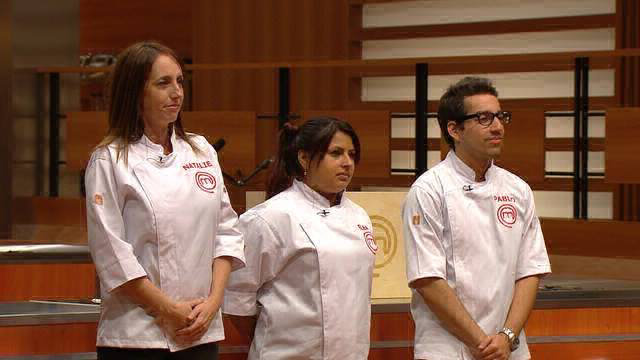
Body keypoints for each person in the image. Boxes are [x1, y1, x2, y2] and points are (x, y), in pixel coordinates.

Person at [85, 41, 245, 359]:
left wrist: (213, 302)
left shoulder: (201, 150)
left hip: (199, 329)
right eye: (163, 83)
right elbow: (111, 253)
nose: (177, 93)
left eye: (180, 82)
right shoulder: (109, 160)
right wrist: (167, 309)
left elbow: (227, 231)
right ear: (135, 93)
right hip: (135, 336)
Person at [402, 77, 551, 360]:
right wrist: (482, 342)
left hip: (509, 347)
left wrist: (506, 337)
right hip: (448, 347)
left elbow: (530, 271)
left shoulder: (517, 189)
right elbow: (427, 279)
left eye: (500, 116)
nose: (497, 126)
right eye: (484, 118)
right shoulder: (429, 189)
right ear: (454, 129)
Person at [223, 117, 376, 359]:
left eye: (351, 154)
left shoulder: (359, 216)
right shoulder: (269, 218)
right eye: (335, 153)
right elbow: (238, 302)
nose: (347, 163)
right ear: (304, 158)